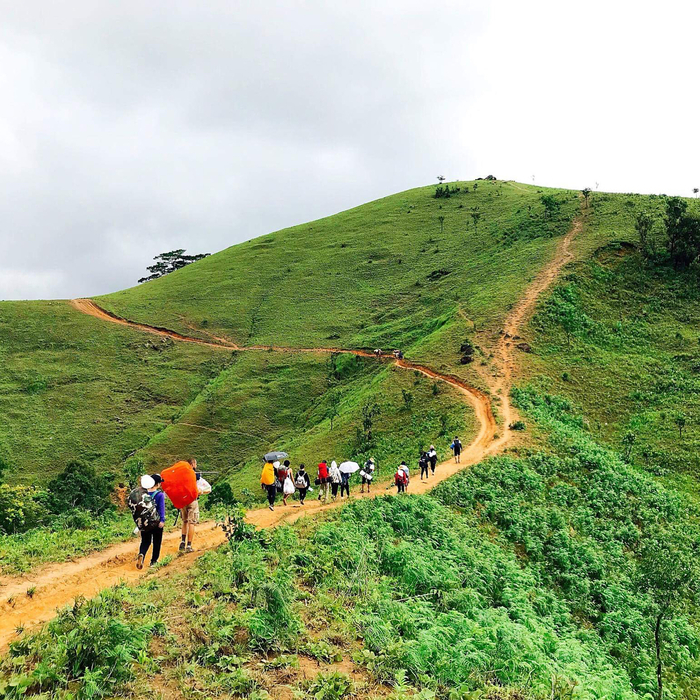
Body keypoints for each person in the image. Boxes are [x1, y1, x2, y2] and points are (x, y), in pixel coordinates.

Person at [132, 474, 165, 569]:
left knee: (145, 541)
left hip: (145, 523)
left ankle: (141, 554)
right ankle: (153, 562)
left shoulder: (143, 494)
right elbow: (161, 509)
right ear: (157, 484)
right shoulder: (159, 495)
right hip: (156, 523)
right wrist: (162, 520)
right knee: (156, 542)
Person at [179, 458, 202, 552]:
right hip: (192, 500)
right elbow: (198, 479)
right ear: (192, 464)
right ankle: (189, 545)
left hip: (183, 500)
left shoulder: (181, 475)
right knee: (191, 522)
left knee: (184, 521)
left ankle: (183, 541)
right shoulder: (194, 475)